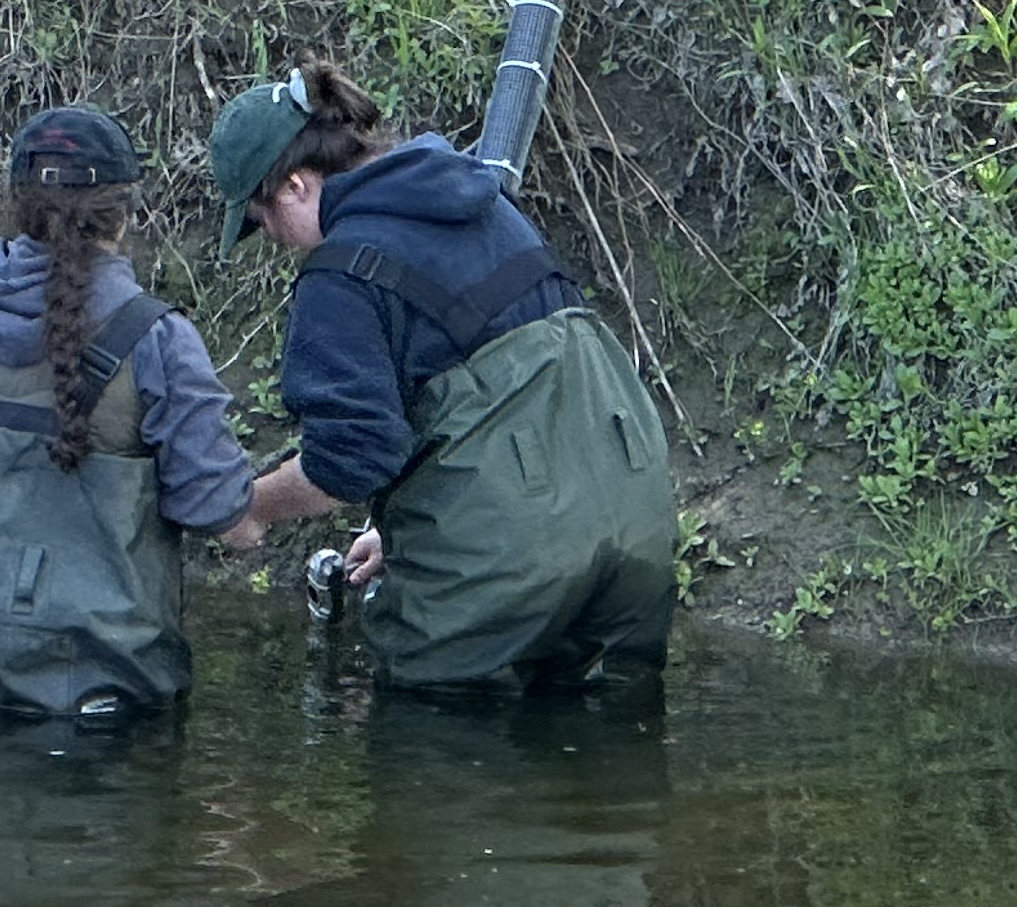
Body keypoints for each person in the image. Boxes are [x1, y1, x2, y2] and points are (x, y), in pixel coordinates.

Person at [210, 57, 673, 691]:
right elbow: (492, 397)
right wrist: (393, 531)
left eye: (262, 220)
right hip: (636, 534)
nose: (274, 239)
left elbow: (350, 462)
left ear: (294, 185)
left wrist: (249, 506)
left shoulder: (340, 276)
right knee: (614, 766)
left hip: (511, 571)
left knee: (437, 767)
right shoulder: (481, 204)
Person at [0, 104, 256, 718]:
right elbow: (222, 514)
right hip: (97, 689)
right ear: (124, 216)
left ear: (14, 203)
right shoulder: (156, 340)